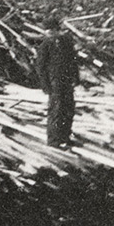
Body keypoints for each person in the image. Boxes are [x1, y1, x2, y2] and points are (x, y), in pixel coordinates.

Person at [33, 17, 79, 147]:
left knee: (68, 109)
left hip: (67, 80)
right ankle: (54, 139)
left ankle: (65, 136)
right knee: (56, 110)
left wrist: (76, 78)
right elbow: (40, 67)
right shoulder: (45, 45)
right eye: (47, 31)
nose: (50, 33)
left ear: (57, 30)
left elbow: (73, 61)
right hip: (55, 82)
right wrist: (45, 85)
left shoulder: (66, 42)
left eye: (52, 30)